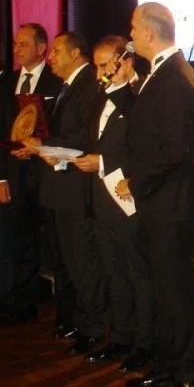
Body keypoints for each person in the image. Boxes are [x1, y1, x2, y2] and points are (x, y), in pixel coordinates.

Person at [119, 2, 194, 387]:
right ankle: (169, 365)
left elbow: (172, 149)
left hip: (171, 202)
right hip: (163, 199)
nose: (130, 35)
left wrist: (136, 181)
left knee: (175, 290)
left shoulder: (174, 76)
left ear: (149, 32)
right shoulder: (163, 72)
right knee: (166, 287)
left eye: (133, 27)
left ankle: (184, 371)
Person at [73, 35, 154, 372]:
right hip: (101, 198)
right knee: (114, 271)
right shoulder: (99, 97)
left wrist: (103, 162)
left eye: (106, 65)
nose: (100, 74)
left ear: (127, 61)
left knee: (138, 273)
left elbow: (149, 150)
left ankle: (145, 344)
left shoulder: (143, 96)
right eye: (96, 66)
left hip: (129, 198)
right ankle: (120, 337)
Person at [22, 31, 105, 355]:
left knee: (83, 261)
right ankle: (74, 319)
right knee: (66, 262)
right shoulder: (67, 87)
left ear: (75, 53)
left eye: (56, 51)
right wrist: (37, 146)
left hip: (76, 188)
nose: (51, 57)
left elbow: (85, 137)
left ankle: (93, 328)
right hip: (59, 187)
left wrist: (44, 144)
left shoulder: (89, 86)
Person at [0, 23, 62, 328]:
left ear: (41, 48)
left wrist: (39, 147)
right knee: (14, 241)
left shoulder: (57, 81)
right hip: (13, 175)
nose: (17, 49)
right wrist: (0, 178)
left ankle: (63, 309)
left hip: (49, 173)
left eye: (23, 44)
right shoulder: (5, 82)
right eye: (15, 44)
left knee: (53, 241)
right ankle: (18, 304)